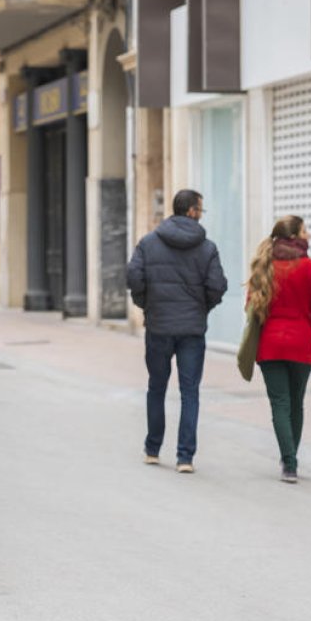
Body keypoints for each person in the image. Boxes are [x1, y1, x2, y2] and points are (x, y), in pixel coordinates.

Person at [127, 189, 227, 473]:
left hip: (158, 325)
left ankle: (153, 449)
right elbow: (217, 286)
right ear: (193, 211)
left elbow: (134, 276)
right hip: (192, 329)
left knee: (156, 387)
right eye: (200, 209)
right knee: (190, 391)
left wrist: (146, 304)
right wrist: (202, 308)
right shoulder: (207, 247)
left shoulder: (148, 242)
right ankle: (185, 457)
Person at [245, 216, 311, 483]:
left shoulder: (264, 266)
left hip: (270, 344)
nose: (309, 235)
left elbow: (250, 307)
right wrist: (309, 333)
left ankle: (289, 463)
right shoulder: (310, 267)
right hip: (301, 343)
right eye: (305, 230)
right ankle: (290, 458)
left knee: (279, 404)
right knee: (296, 403)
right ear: (294, 236)